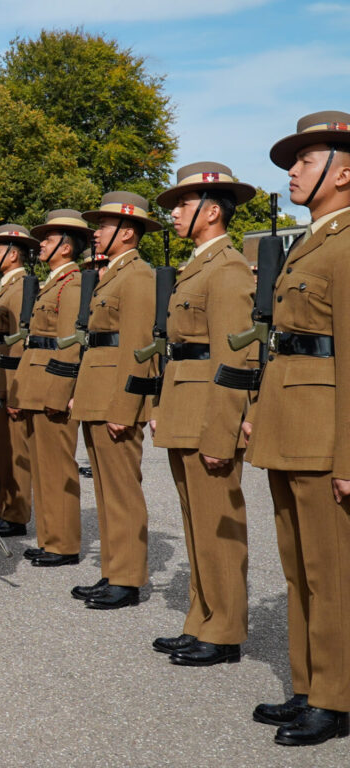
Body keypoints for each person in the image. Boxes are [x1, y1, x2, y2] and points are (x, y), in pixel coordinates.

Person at [245, 112, 350, 746]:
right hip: (290, 423)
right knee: (296, 564)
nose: (292, 171)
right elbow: (285, 345)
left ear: (345, 172)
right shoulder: (309, 242)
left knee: (331, 569)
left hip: (325, 432)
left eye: (305, 161)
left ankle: (337, 697)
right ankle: (309, 684)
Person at [148, 163, 256, 667]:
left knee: (218, 525)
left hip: (209, 411)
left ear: (211, 211)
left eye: (182, 205)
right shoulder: (198, 266)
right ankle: (202, 618)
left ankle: (226, 628)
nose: (172, 213)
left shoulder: (228, 270)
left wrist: (224, 429)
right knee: (195, 523)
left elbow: (234, 360)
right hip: (185, 404)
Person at [71, 192, 158, 610]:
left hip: (115, 401)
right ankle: (112, 569)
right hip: (98, 395)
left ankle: (127, 577)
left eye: (103, 226)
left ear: (126, 232)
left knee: (122, 491)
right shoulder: (113, 274)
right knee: (106, 491)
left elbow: (138, 347)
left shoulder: (137, 276)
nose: (96, 232)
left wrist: (126, 407)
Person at [7, 210, 88, 566]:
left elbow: (68, 345)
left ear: (67, 248)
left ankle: (64, 543)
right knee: (42, 467)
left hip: (52, 386)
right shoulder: (55, 281)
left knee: (57, 467)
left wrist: (60, 394)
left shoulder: (72, 283)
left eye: (50, 240)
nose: (42, 245)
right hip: (37, 383)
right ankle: (50, 537)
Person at [0, 224, 38, 537]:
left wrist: (18, 394)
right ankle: (4, 509)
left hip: (11, 380)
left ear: (14, 254)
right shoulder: (5, 287)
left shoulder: (24, 286)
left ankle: (16, 513)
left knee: (15, 451)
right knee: (1, 450)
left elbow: (22, 344)